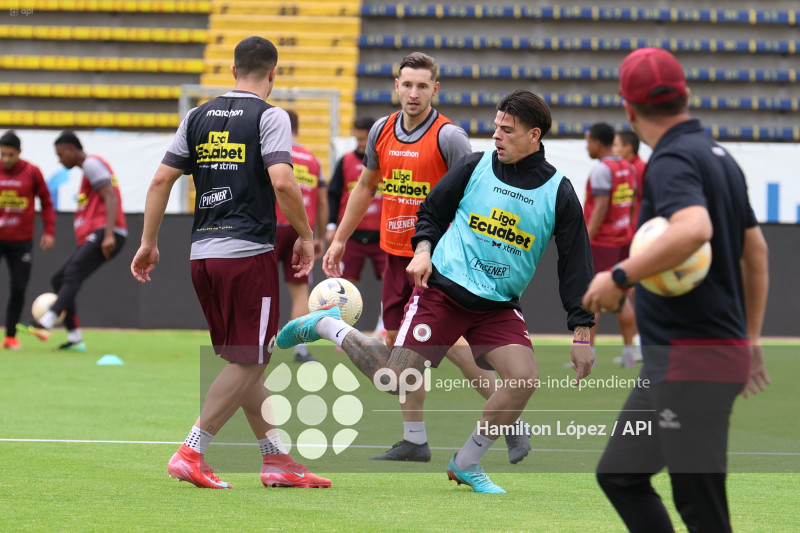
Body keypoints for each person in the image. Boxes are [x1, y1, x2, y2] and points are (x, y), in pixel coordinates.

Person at [279, 90, 596, 493]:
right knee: (394, 378)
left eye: (507, 130)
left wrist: (582, 333)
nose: (496, 135)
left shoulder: (559, 191)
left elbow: (576, 265)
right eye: (496, 126)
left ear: (534, 135)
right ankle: (327, 325)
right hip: (441, 292)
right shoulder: (475, 165)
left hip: (498, 305)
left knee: (523, 379)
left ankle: (467, 463)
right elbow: (430, 211)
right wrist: (424, 250)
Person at [582, 47, 770, 532]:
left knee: (702, 510)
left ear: (628, 110)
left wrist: (618, 276)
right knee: (620, 475)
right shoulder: (718, 156)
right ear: (686, 96)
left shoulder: (670, 161)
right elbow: (757, 251)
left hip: (694, 361)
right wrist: (750, 338)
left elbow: (694, 228)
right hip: (677, 359)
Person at [130, 36, 330, 490]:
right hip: (247, 255)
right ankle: (191, 451)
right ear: (273, 73)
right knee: (251, 360)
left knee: (247, 359)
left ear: (233, 70)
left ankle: (276, 460)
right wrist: (306, 235)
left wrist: (148, 242)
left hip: (202, 256)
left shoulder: (196, 116)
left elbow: (161, 180)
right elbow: (283, 182)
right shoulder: (271, 116)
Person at [322, 52, 531, 464]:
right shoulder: (381, 130)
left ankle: (509, 418)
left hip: (437, 262)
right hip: (393, 257)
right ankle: (414, 440)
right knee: (399, 346)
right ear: (396, 86)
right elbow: (365, 187)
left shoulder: (449, 137)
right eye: (407, 84)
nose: (414, 93)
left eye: (422, 86)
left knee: (447, 345)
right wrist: (339, 238)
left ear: (435, 89)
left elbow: (475, 196)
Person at [18, 131, 126, 352]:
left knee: (73, 271)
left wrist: (108, 234)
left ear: (71, 149)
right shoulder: (88, 170)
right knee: (59, 279)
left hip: (107, 232)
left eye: (60, 154)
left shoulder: (91, 163)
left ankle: (46, 321)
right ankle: (75, 338)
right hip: (99, 232)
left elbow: (110, 195)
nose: (60, 160)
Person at [325, 116, 388, 336]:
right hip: (352, 234)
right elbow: (334, 194)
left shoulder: (387, 160)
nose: (360, 143)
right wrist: (331, 225)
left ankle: (384, 327)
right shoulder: (345, 161)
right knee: (345, 283)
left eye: (363, 139)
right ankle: (344, 330)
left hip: (382, 235)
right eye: (357, 139)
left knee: (389, 282)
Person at [275, 109, 328, 363]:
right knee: (300, 292)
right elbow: (322, 201)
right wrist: (318, 236)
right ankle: (301, 350)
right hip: (301, 231)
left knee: (261, 287)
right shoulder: (313, 160)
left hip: (271, 227)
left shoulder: (274, 154)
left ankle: (255, 345)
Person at [582, 122, 637, 366]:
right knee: (622, 296)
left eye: (588, 142)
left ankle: (589, 355)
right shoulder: (627, 167)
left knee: (592, 297)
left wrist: (585, 239)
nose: (586, 147)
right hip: (623, 238)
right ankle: (629, 353)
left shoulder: (601, 170)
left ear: (597, 143)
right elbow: (631, 204)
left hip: (602, 242)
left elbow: (601, 207)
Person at [0, 131, 56, 349]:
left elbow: (47, 202)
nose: (6, 159)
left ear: (19, 153)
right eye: (2, 154)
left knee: (18, 288)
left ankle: (10, 337)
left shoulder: (32, 172)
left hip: (21, 242)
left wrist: (49, 231)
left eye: (10, 155)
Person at [613, 129, 647, 363]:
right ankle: (638, 346)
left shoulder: (639, 169)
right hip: (630, 237)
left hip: (638, 238)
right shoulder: (627, 168)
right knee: (632, 291)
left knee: (636, 291)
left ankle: (643, 345)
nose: (615, 149)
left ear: (628, 147)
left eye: (617, 145)